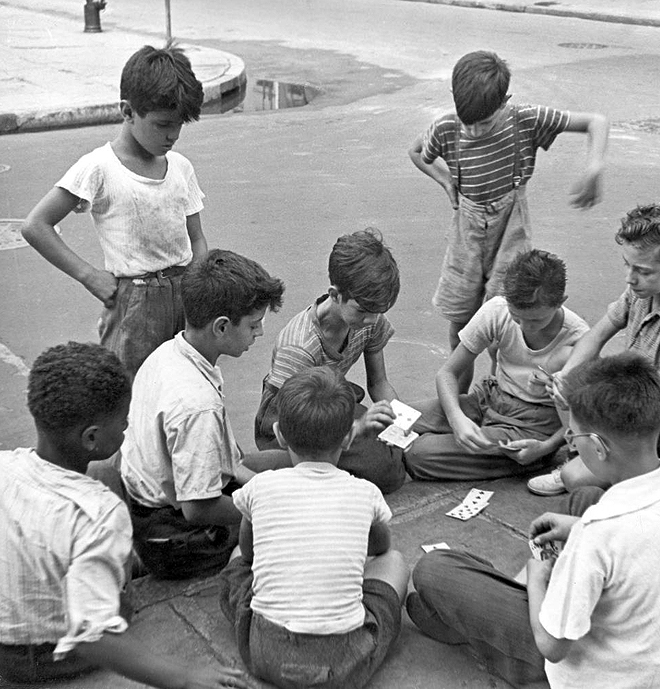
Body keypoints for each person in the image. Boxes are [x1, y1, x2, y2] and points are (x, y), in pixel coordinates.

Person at [407, 353, 660, 688]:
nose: (570, 443)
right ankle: (472, 621)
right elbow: (649, 535)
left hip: (592, 672)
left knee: (433, 569)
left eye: (574, 437)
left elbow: (552, 646)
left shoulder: (599, 533)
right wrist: (576, 528)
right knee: (586, 499)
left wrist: (538, 578)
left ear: (598, 447)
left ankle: (499, 651)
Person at [0, 342, 252, 689]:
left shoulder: (6, 464)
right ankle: (119, 568)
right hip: (48, 656)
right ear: (91, 437)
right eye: (123, 421)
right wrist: (185, 677)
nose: (128, 426)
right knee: (117, 598)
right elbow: (93, 638)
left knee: (105, 474)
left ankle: (114, 565)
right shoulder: (99, 513)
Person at [409, 50, 608, 390]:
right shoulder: (446, 128)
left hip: (510, 233)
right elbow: (416, 152)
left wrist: (594, 167)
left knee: (503, 323)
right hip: (465, 238)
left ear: (505, 102)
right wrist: (446, 180)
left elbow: (596, 122)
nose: (472, 130)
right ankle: (458, 403)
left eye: (483, 123)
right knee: (461, 330)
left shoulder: (525, 119)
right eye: (466, 121)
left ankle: (498, 393)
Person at [22, 45, 208, 378]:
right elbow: (36, 225)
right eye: (162, 124)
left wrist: (198, 286)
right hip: (134, 308)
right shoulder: (99, 167)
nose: (172, 135)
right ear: (127, 111)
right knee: (127, 398)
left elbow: (197, 239)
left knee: (183, 387)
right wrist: (88, 275)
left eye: (179, 125)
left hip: (185, 298)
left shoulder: (180, 167)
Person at [220, 367, 409, 689]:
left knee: (236, 556)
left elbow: (248, 554)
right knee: (395, 562)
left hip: (264, 653)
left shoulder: (260, 487)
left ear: (279, 435)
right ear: (349, 436)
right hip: (345, 662)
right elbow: (380, 549)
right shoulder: (365, 492)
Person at [527, 203, 660, 496]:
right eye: (627, 264)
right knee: (566, 360)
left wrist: (586, 400)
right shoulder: (642, 291)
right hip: (631, 396)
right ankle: (583, 451)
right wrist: (565, 377)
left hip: (654, 424)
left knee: (575, 479)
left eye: (642, 270)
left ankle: (612, 471)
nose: (630, 277)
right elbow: (595, 336)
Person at [120, 249, 285, 580]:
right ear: (222, 327)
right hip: (176, 532)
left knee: (284, 468)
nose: (261, 333)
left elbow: (227, 464)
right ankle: (145, 562)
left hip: (156, 499)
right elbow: (198, 509)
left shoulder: (172, 352)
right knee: (283, 531)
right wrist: (267, 508)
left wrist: (260, 486)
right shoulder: (196, 404)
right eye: (254, 324)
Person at [403, 249, 589, 481]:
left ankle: (523, 461)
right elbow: (447, 373)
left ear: (561, 302)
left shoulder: (579, 339)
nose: (524, 327)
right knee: (395, 417)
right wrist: (456, 418)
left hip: (533, 426)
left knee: (419, 454)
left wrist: (546, 447)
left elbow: (586, 418)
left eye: (536, 320)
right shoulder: (497, 310)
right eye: (516, 316)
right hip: (489, 398)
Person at [250, 228, 405, 494]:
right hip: (290, 424)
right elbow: (295, 423)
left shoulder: (370, 319)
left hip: (330, 404)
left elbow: (379, 384)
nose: (372, 320)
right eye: (363, 311)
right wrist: (357, 429)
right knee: (387, 472)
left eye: (379, 312)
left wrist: (400, 420)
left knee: (396, 444)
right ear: (335, 295)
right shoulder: (299, 347)